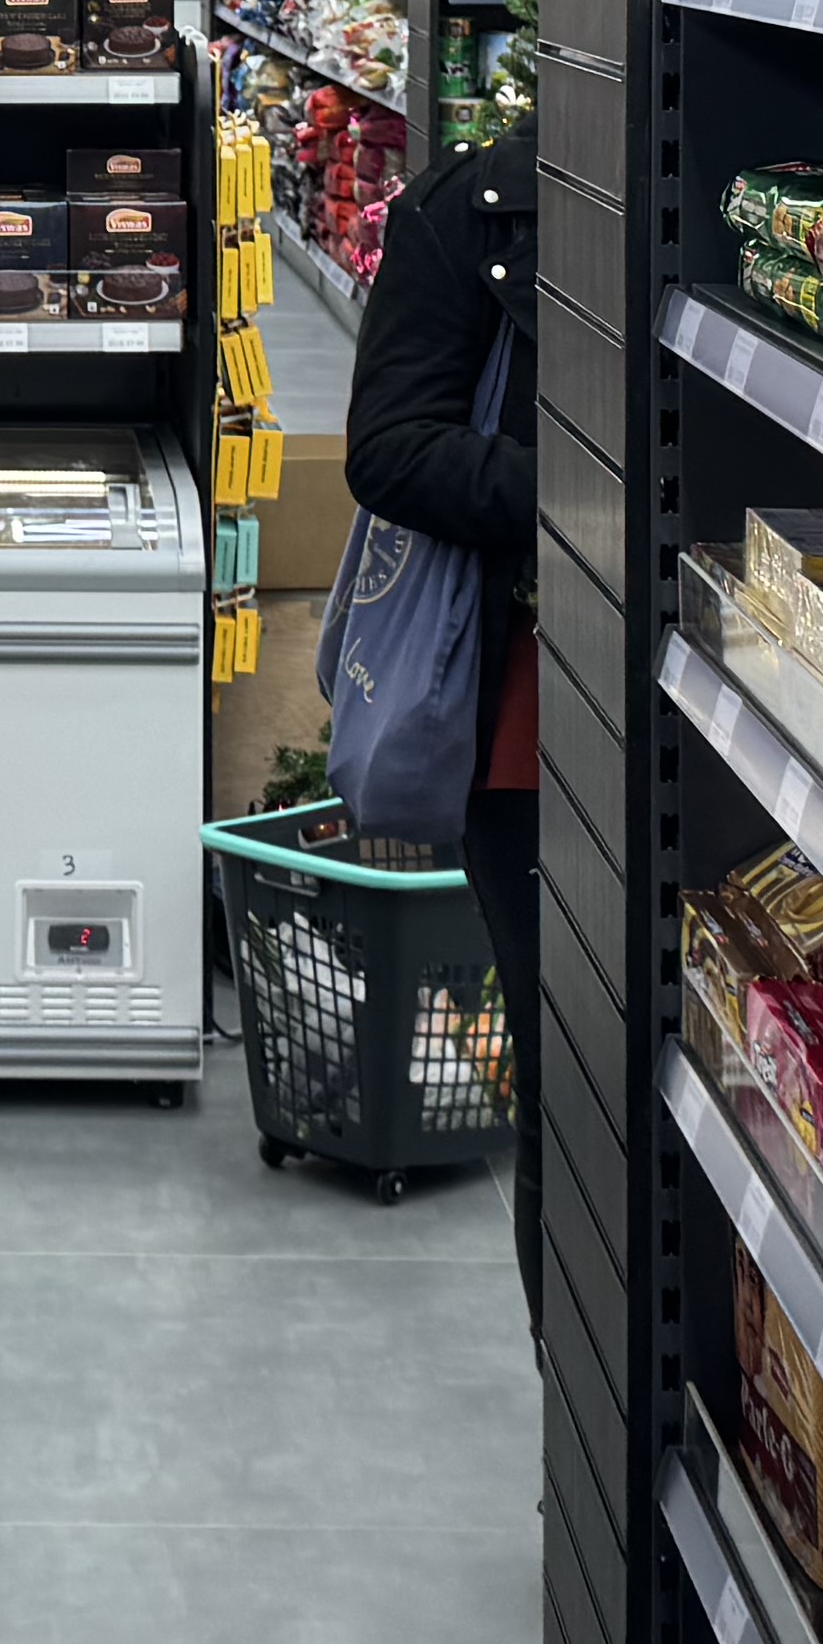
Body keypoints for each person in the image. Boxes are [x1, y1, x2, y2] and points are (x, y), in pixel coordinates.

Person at [342, 120, 543, 1327]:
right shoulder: (465, 213)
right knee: (576, 1086)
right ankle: (579, 1433)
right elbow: (392, 450)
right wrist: (589, 491)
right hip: (526, 724)